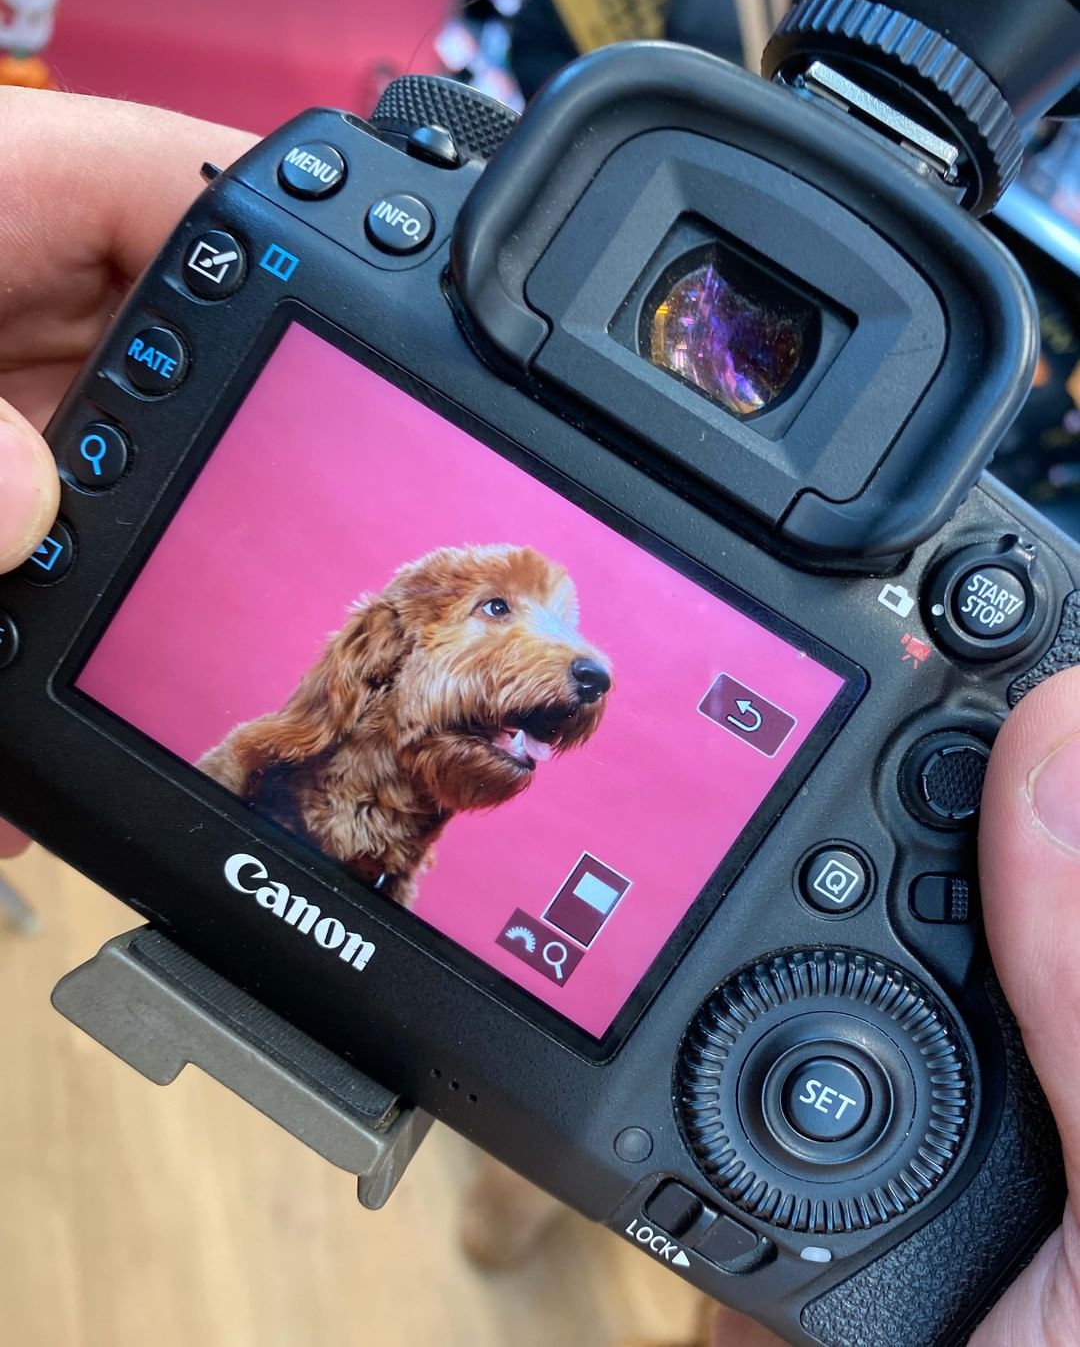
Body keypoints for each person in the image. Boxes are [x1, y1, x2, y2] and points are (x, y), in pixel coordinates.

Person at [1, 88, 1079, 1346]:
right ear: (378, 652)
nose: (575, 667)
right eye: (501, 616)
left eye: (559, 628)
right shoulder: (263, 747)